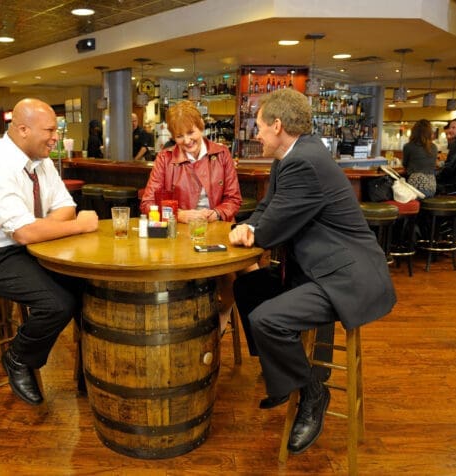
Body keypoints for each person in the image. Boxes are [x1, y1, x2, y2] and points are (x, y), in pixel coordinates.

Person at [229, 89, 396, 455]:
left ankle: (312, 394)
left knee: (267, 319)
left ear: (277, 126)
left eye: (258, 127)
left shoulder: (302, 161)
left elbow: (272, 229)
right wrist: (249, 226)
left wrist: (253, 232)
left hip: (344, 276)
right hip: (315, 267)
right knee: (248, 289)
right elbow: (269, 210)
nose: (255, 134)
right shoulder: (289, 157)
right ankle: (283, 379)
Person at [0, 98, 99, 406]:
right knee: (57, 303)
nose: (57, 136)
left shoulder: (43, 161)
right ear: (23, 130)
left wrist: (40, 228)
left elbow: (65, 206)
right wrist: (77, 227)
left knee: (90, 286)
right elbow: (26, 232)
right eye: (51, 130)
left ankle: (90, 370)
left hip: (32, 248)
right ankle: (18, 358)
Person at [140, 100, 242, 332]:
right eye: (179, 136)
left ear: (201, 126)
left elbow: (234, 199)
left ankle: (222, 315)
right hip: (180, 236)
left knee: (236, 278)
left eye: (191, 132)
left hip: (218, 229)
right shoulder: (165, 159)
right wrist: (183, 215)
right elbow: (147, 203)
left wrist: (216, 213)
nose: (186, 141)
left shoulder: (222, 154)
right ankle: (183, 329)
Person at [402, 119, 437, 198]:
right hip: (432, 187)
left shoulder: (409, 146)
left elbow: (405, 164)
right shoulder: (434, 147)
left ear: (414, 132)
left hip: (415, 188)